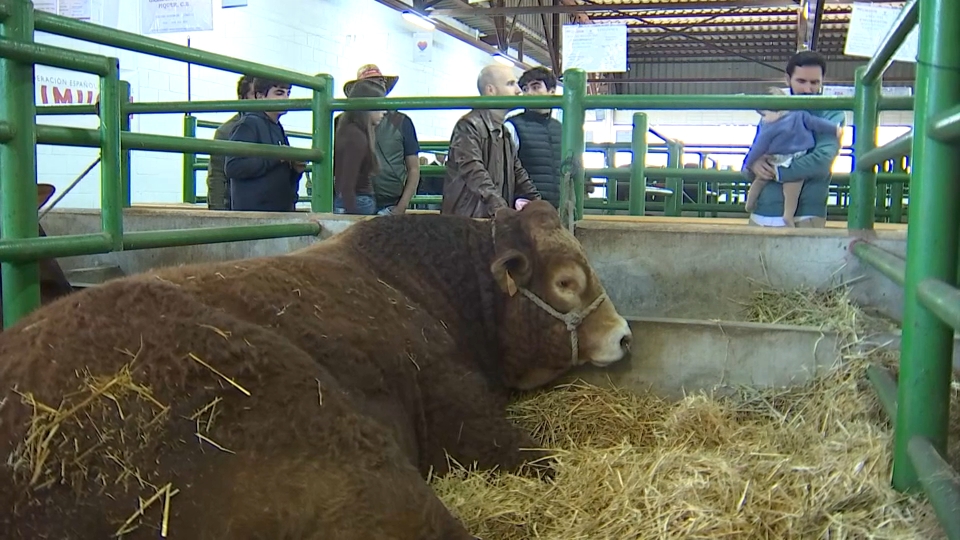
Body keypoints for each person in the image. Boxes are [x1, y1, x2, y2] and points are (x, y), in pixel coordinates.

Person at [741, 50, 845, 228]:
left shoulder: (831, 112)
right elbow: (758, 148)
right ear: (787, 80)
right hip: (761, 213)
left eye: (815, 82)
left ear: (822, 81)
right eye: (801, 81)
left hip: (805, 215)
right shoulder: (774, 111)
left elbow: (821, 161)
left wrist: (776, 171)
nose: (808, 89)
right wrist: (752, 165)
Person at [441, 64, 541, 218]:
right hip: (467, 224)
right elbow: (474, 171)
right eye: (510, 83)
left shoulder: (504, 132)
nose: (518, 90)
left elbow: (518, 173)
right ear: (491, 90)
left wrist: (539, 204)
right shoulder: (468, 126)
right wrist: (501, 209)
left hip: (485, 219)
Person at [341, 64, 422, 216]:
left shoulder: (402, 121)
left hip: (389, 201)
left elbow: (414, 168)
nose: (377, 87)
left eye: (379, 82)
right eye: (371, 83)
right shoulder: (342, 122)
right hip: (356, 199)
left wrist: (401, 207)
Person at [224, 78, 305, 212]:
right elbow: (233, 166)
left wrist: (295, 170)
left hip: (276, 212)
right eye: (279, 93)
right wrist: (275, 156)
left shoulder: (278, 127)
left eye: (288, 94)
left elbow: (279, 171)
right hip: (255, 214)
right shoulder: (249, 124)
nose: (286, 99)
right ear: (260, 95)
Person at [503, 66, 563, 209]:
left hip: (558, 207)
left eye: (535, 87)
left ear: (552, 91)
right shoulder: (512, 126)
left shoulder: (561, 128)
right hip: (526, 208)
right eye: (525, 89)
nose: (529, 93)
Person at [333, 79, 386, 215]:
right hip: (358, 201)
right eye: (380, 106)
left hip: (352, 200)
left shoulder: (348, 131)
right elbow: (347, 185)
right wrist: (352, 215)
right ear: (367, 108)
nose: (384, 111)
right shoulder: (356, 136)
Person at [206, 74, 255, 210]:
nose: (260, 97)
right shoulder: (226, 132)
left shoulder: (273, 128)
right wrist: (218, 214)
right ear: (242, 98)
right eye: (254, 94)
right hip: (237, 208)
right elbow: (217, 176)